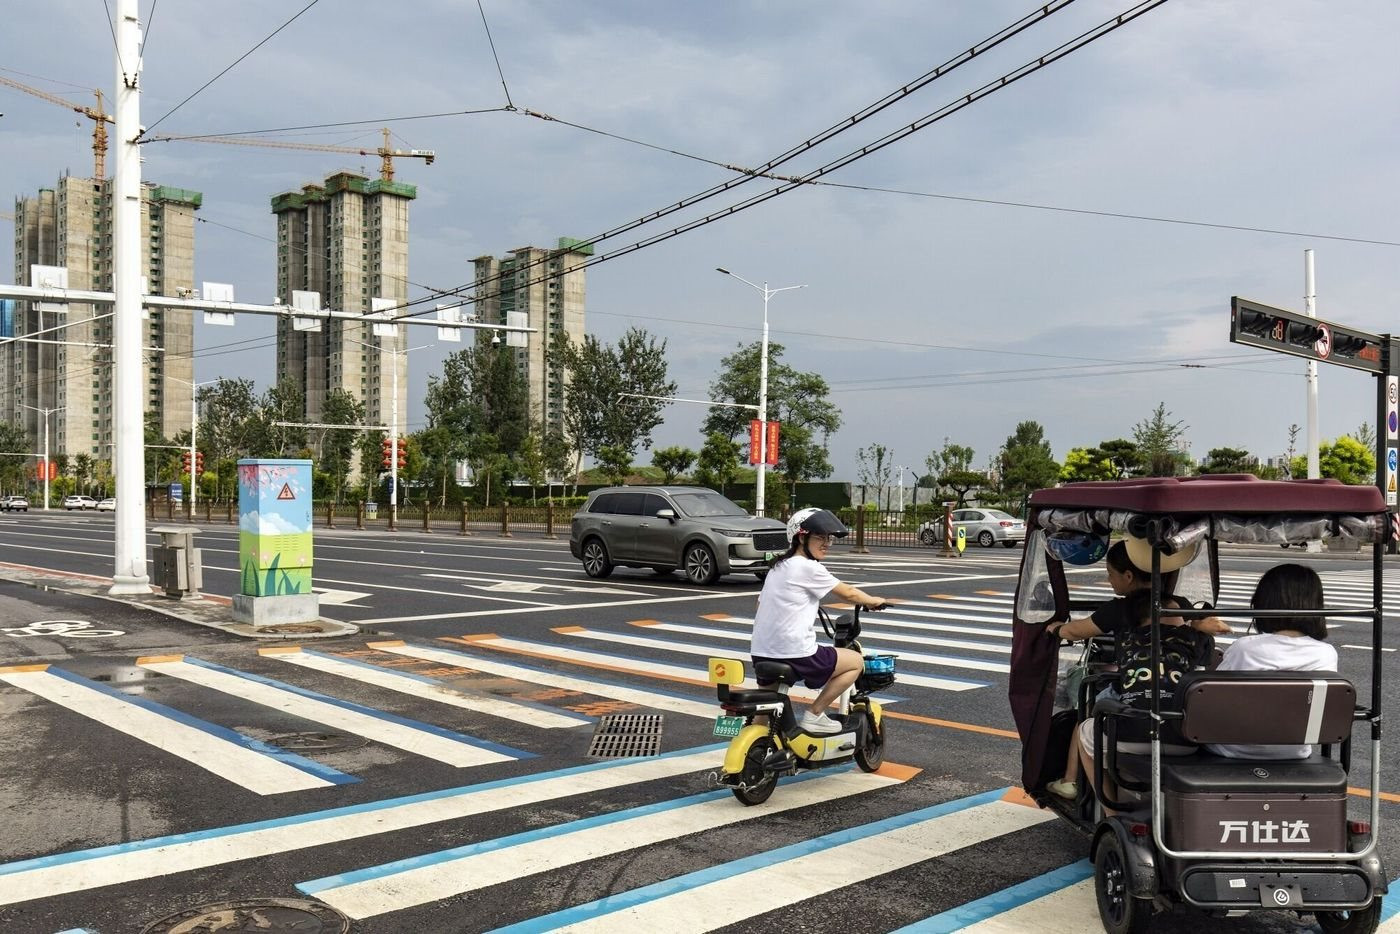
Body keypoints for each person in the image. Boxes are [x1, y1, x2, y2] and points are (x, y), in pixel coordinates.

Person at [1044, 538, 1225, 800]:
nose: (1109, 581)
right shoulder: (1183, 605)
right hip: (1187, 735)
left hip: (1137, 731)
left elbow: (1074, 630)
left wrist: (1055, 628)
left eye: (1110, 575)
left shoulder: (1120, 608)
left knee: (1086, 725)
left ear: (1128, 576)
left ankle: (1095, 800)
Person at [750, 507, 887, 735]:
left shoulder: (778, 567)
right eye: (820, 537)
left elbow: (760, 605)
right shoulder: (807, 566)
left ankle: (751, 756)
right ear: (801, 537)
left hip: (762, 652)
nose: (826, 543)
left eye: (829, 538)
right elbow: (849, 593)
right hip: (795, 653)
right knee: (855, 662)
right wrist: (873, 601)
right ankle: (814, 715)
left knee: (765, 709)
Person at [1207, 563, 1337, 760]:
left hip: (1235, 749)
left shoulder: (1246, 648)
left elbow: (1212, 699)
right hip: (1296, 750)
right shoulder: (1326, 653)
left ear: (1264, 601)